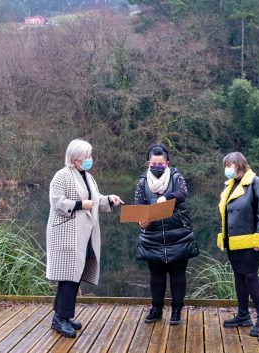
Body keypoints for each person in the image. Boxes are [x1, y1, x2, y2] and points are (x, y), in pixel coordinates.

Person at [46, 139, 124, 338]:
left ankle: (62, 315)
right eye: (87, 156)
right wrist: (80, 204)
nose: (90, 159)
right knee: (68, 277)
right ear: (76, 158)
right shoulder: (61, 176)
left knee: (75, 275)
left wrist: (109, 200)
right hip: (66, 235)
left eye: (90, 156)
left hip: (84, 235)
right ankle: (61, 319)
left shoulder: (88, 177)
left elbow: (95, 200)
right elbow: (57, 202)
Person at [134, 143, 199, 325]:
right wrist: (141, 220)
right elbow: (138, 205)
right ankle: (156, 309)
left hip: (178, 236)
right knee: (156, 276)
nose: (157, 166)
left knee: (178, 275)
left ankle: (177, 311)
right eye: (153, 163)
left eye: (161, 164)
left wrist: (165, 198)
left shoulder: (177, 178)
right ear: (148, 163)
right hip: (152, 237)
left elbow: (182, 194)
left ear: (167, 163)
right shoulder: (142, 182)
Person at [217, 151, 259, 337]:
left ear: (240, 164)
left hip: (250, 240)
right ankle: (243, 315)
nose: (227, 169)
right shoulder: (232, 184)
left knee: (251, 276)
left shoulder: (257, 183)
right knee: (239, 276)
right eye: (226, 166)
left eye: (230, 165)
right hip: (232, 240)